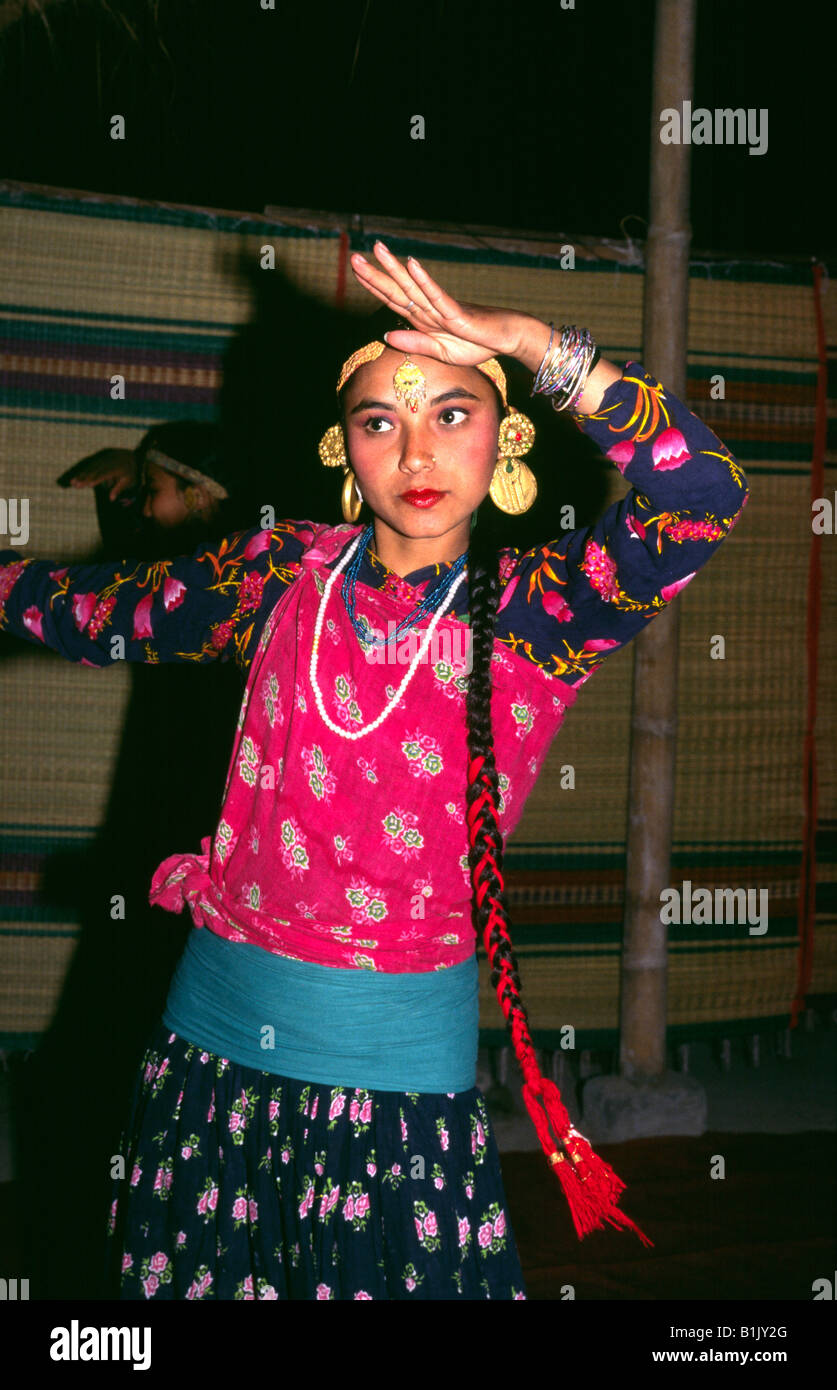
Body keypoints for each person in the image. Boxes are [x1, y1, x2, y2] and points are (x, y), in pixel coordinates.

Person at [0, 242, 750, 1300]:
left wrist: (533, 344)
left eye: (453, 412)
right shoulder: (275, 575)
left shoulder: (539, 613)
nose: (415, 450)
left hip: (395, 1098)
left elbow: (703, 494)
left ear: (510, 435)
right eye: (379, 421)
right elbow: (89, 615)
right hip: (210, 1067)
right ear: (341, 448)